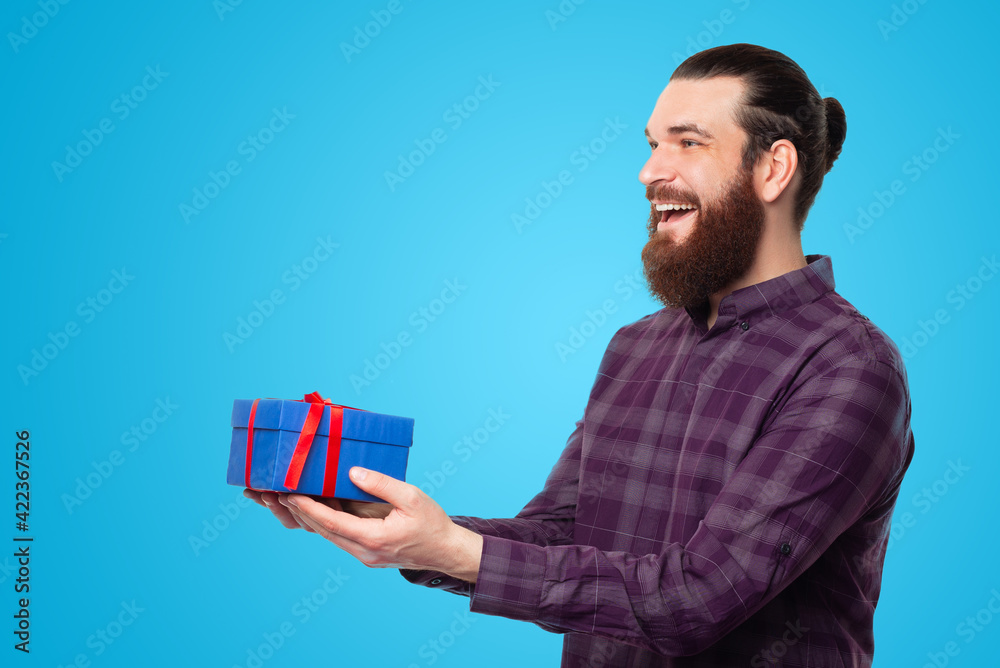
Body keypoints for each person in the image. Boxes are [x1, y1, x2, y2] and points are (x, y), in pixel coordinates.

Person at [245, 43, 915, 667]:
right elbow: (562, 538)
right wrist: (404, 530)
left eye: (688, 142)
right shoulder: (635, 347)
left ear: (773, 168)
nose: (651, 172)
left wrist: (455, 550)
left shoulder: (850, 368)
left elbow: (699, 597)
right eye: (653, 144)